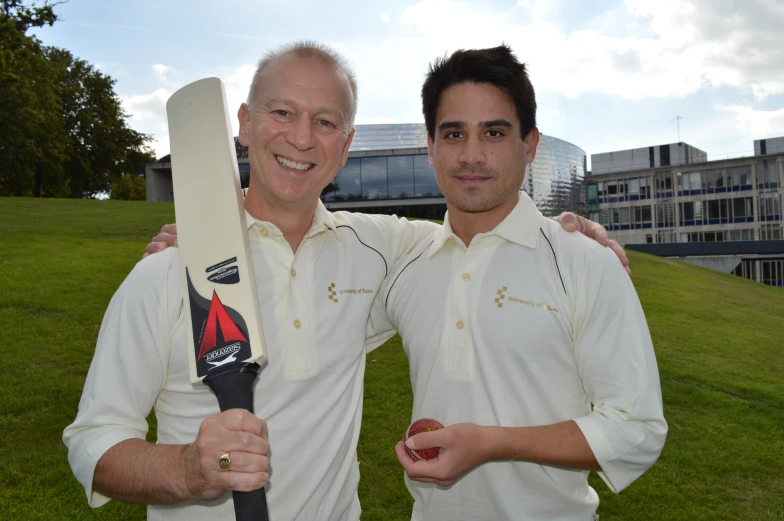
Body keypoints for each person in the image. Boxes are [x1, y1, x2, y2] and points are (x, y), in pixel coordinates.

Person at [64, 40, 627, 521]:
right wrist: (188, 470)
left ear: (346, 144)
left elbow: (476, 229)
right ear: (244, 124)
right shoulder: (166, 273)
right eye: (282, 113)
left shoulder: (379, 251)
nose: (302, 138)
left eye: (325, 121)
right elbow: (93, 443)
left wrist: (558, 226)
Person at [365, 45, 666, 520]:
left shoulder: (585, 262)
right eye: (454, 133)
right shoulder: (406, 264)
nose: (471, 154)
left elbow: (637, 428)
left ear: (529, 145)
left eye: (494, 132)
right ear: (431, 145)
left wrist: (493, 443)